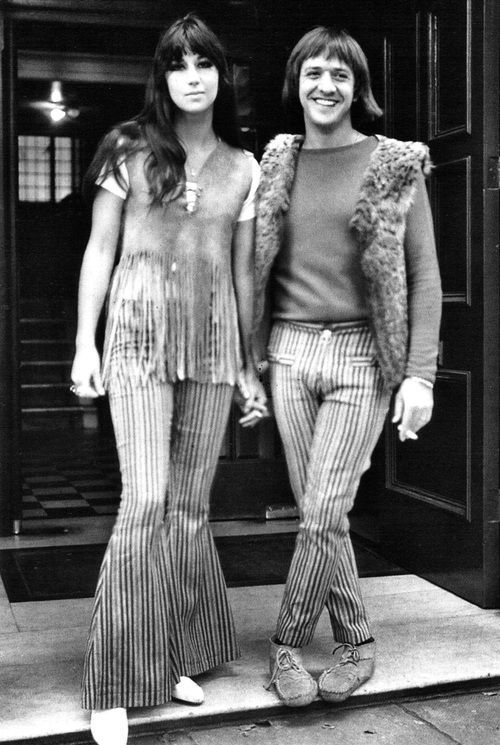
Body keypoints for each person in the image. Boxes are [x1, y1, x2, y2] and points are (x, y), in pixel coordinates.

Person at [70, 14, 267, 745]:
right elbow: (99, 251)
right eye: (178, 63)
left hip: (212, 343)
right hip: (138, 340)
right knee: (145, 499)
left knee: (188, 507)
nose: (192, 74)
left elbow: (242, 273)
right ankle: (116, 678)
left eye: (205, 63)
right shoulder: (127, 148)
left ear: (222, 75)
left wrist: (249, 365)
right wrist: (84, 345)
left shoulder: (244, 168)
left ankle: (170, 654)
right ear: (163, 75)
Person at [253, 26, 442, 708]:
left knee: (325, 506)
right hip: (290, 352)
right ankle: (356, 640)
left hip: (363, 353)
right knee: (319, 512)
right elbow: (254, 266)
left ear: (357, 86)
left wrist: (419, 374)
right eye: (313, 73)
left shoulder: (394, 163)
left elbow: (424, 274)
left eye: (339, 73)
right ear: (296, 83)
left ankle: (284, 643)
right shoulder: (276, 161)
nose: (326, 85)